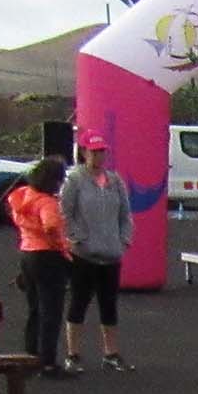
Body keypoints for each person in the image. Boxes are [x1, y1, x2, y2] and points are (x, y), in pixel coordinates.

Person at [57, 131, 132, 372]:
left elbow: (125, 214)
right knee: (79, 301)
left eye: (102, 152)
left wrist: (123, 240)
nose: (99, 156)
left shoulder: (114, 180)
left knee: (109, 304)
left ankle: (111, 353)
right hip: (84, 254)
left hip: (111, 253)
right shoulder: (74, 180)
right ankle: (73, 353)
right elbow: (64, 212)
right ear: (84, 152)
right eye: (94, 151)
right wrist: (78, 238)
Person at [6, 158, 72, 381]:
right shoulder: (47, 202)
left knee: (34, 309)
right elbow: (51, 225)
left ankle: (31, 354)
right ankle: (48, 362)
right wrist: (60, 246)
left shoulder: (23, 195)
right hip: (47, 256)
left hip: (27, 253)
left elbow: (17, 215)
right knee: (51, 311)